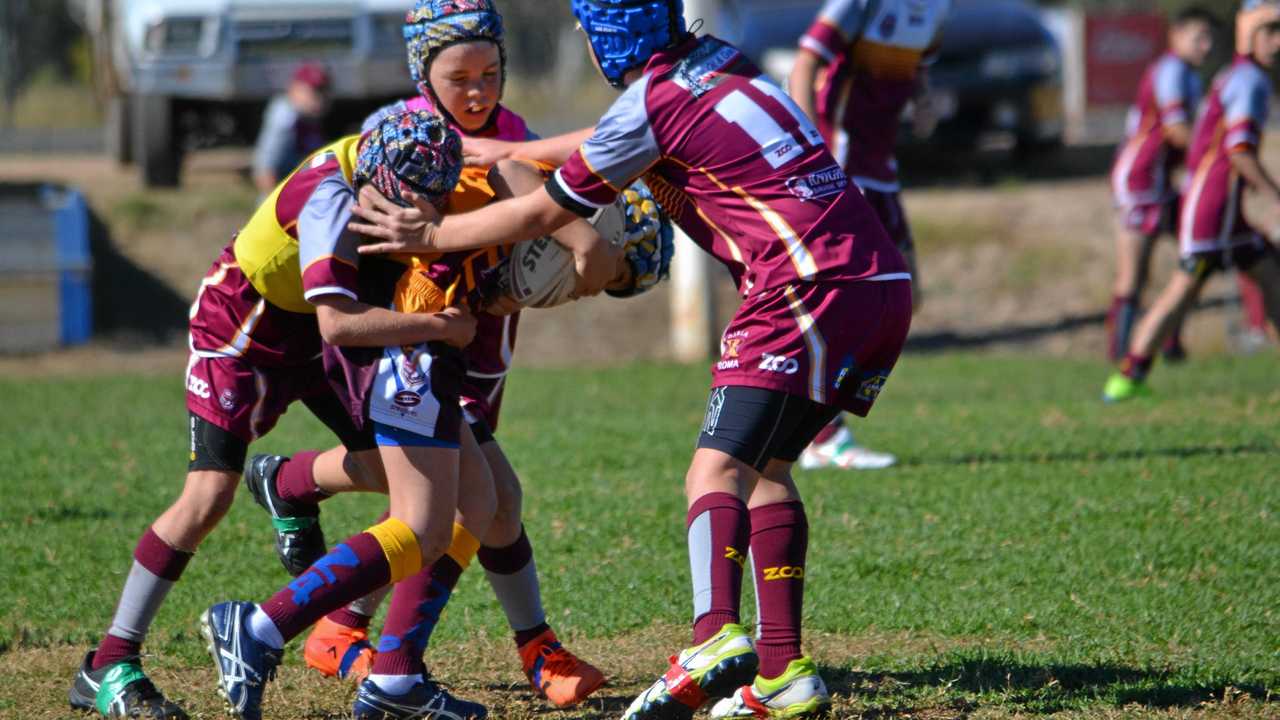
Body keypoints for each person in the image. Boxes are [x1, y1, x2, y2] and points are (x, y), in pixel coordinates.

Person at [351, 1, 914, 717]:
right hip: (877, 283)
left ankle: (713, 637)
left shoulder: (649, 103)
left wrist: (433, 235)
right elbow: (609, 135)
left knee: (714, 470)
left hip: (804, 282)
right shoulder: (719, 61)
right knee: (768, 470)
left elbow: (540, 217)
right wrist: (505, 153)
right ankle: (783, 672)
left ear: (601, 36)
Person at [239, 0, 607, 707]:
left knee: (463, 506)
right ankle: (488, 653)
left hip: (480, 338)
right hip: (418, 338)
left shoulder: (514, 140)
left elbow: (569, 234)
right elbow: (388, 249)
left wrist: (591, 264)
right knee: (477, 505)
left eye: (491, 73)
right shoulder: (405, 140)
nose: (477, 91)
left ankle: (328, 588)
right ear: (422, 76)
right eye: (459, 76)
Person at [66, 113, 474, 720]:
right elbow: (339, 321)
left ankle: (287, 485)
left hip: (312, 328)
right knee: (207, 498)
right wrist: (439, 327)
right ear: (380, 176)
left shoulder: (384, 153)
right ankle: (107, 663)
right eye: (411, 200)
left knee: (400, 473)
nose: (420, 214)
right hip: (244, 329)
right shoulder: (330, 201)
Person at [786, 0, 952, 471]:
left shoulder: (938, 9)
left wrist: (921, 100)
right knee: (842, 298)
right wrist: (806, 148)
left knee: (905, 292)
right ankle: (823, 433)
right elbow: (805, 61)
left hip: (881, 170)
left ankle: (813, 423)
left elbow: (917, 66)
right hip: (839, 163)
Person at [1104, 0, 1280, 403]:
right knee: (1179, 285)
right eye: (1269, 31)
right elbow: (1237, 151)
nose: (1277, 41)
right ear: (1248, 34)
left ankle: (1134, 367)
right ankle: (1128, 370)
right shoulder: (1247, 80)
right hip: (1208, 205)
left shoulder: (1230, 76)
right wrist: (1274, 195)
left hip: (1218, 206)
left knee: (1271, 273)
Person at [1106, 8, 1217, 363]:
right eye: (1199, 37)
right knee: (1133, 277)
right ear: (1176, 35)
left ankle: (1167, 339)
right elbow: (1175, 130)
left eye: (1210, 38)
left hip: (1161, 183)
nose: (1207, 45)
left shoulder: (1190, 76)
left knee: (1199, 254)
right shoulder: (1169, 71)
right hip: (1138, 181)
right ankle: (1121, 357)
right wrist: (1211, 160)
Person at [252, 62, 332, 195]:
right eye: (314, 91)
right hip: (285, 206)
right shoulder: (285, 118)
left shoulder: (307, 117)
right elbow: (265, 171)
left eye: (324, 90)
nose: (320, 98)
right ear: (294, 89)